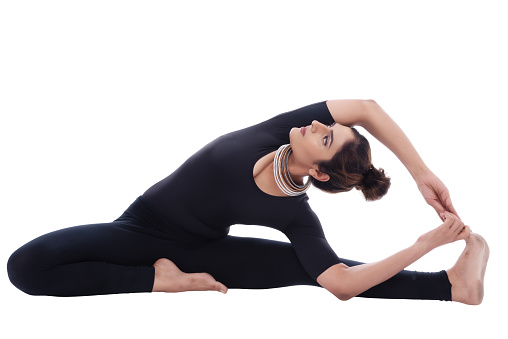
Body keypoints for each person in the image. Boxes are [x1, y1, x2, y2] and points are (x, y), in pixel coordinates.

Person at [7, 100, 489, 304]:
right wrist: (422, 173)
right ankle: (158, 281)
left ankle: (451, 287)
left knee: (319, 270)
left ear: (318, 173)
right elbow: (364, 107)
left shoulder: (295, 214)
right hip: (141, 228)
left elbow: (341, 284)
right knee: (27, 266)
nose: (318, 125)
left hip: (205, 250)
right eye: (328, 127)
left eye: (325, 138)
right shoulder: (282, 131)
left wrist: (423, 245)